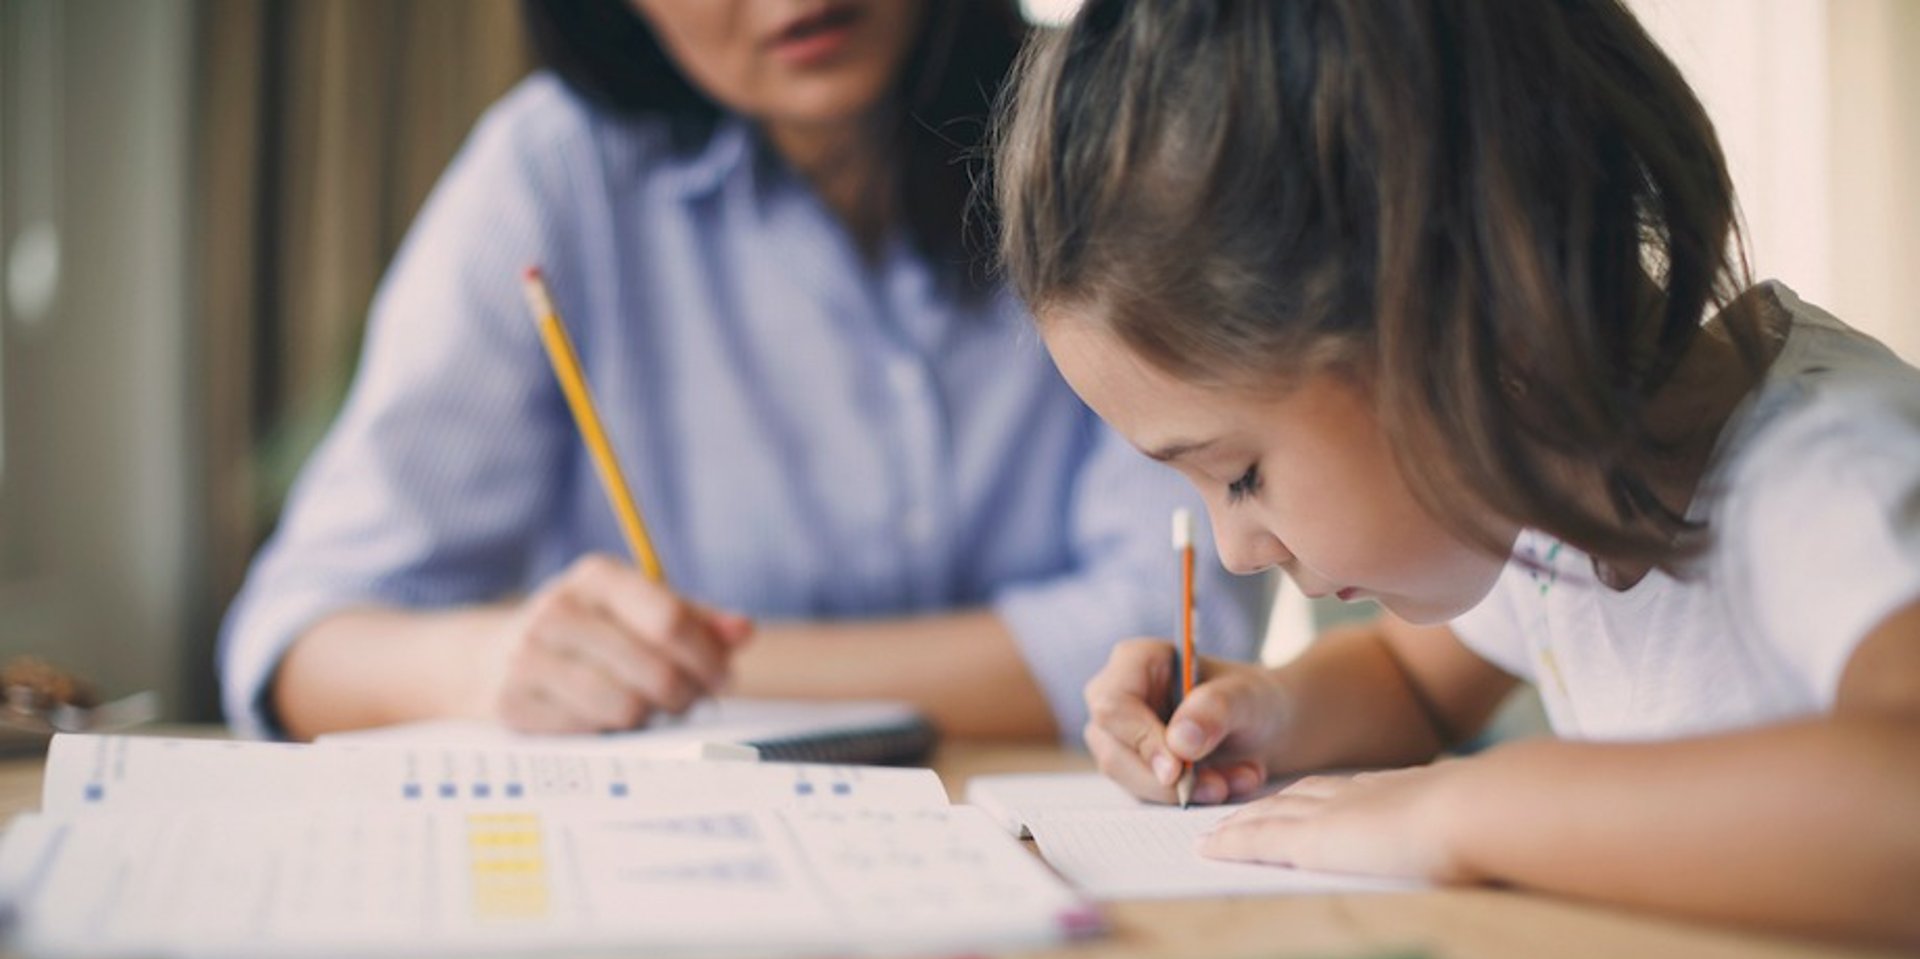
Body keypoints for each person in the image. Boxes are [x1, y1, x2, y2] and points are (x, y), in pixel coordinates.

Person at [996, 0, 1920, 946]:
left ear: (1458, 306)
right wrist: (1264, 713)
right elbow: (1414, 681)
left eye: (1239, 474)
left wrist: (1469, 810)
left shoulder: (1827, 477)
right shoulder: (1544, 488)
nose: (1235, 551)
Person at [218, 0, 1264, 743]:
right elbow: (295, 640)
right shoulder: (553, 178)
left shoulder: (1112, 129)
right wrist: (496, 665)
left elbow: (1181, 631)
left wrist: (698, 676)